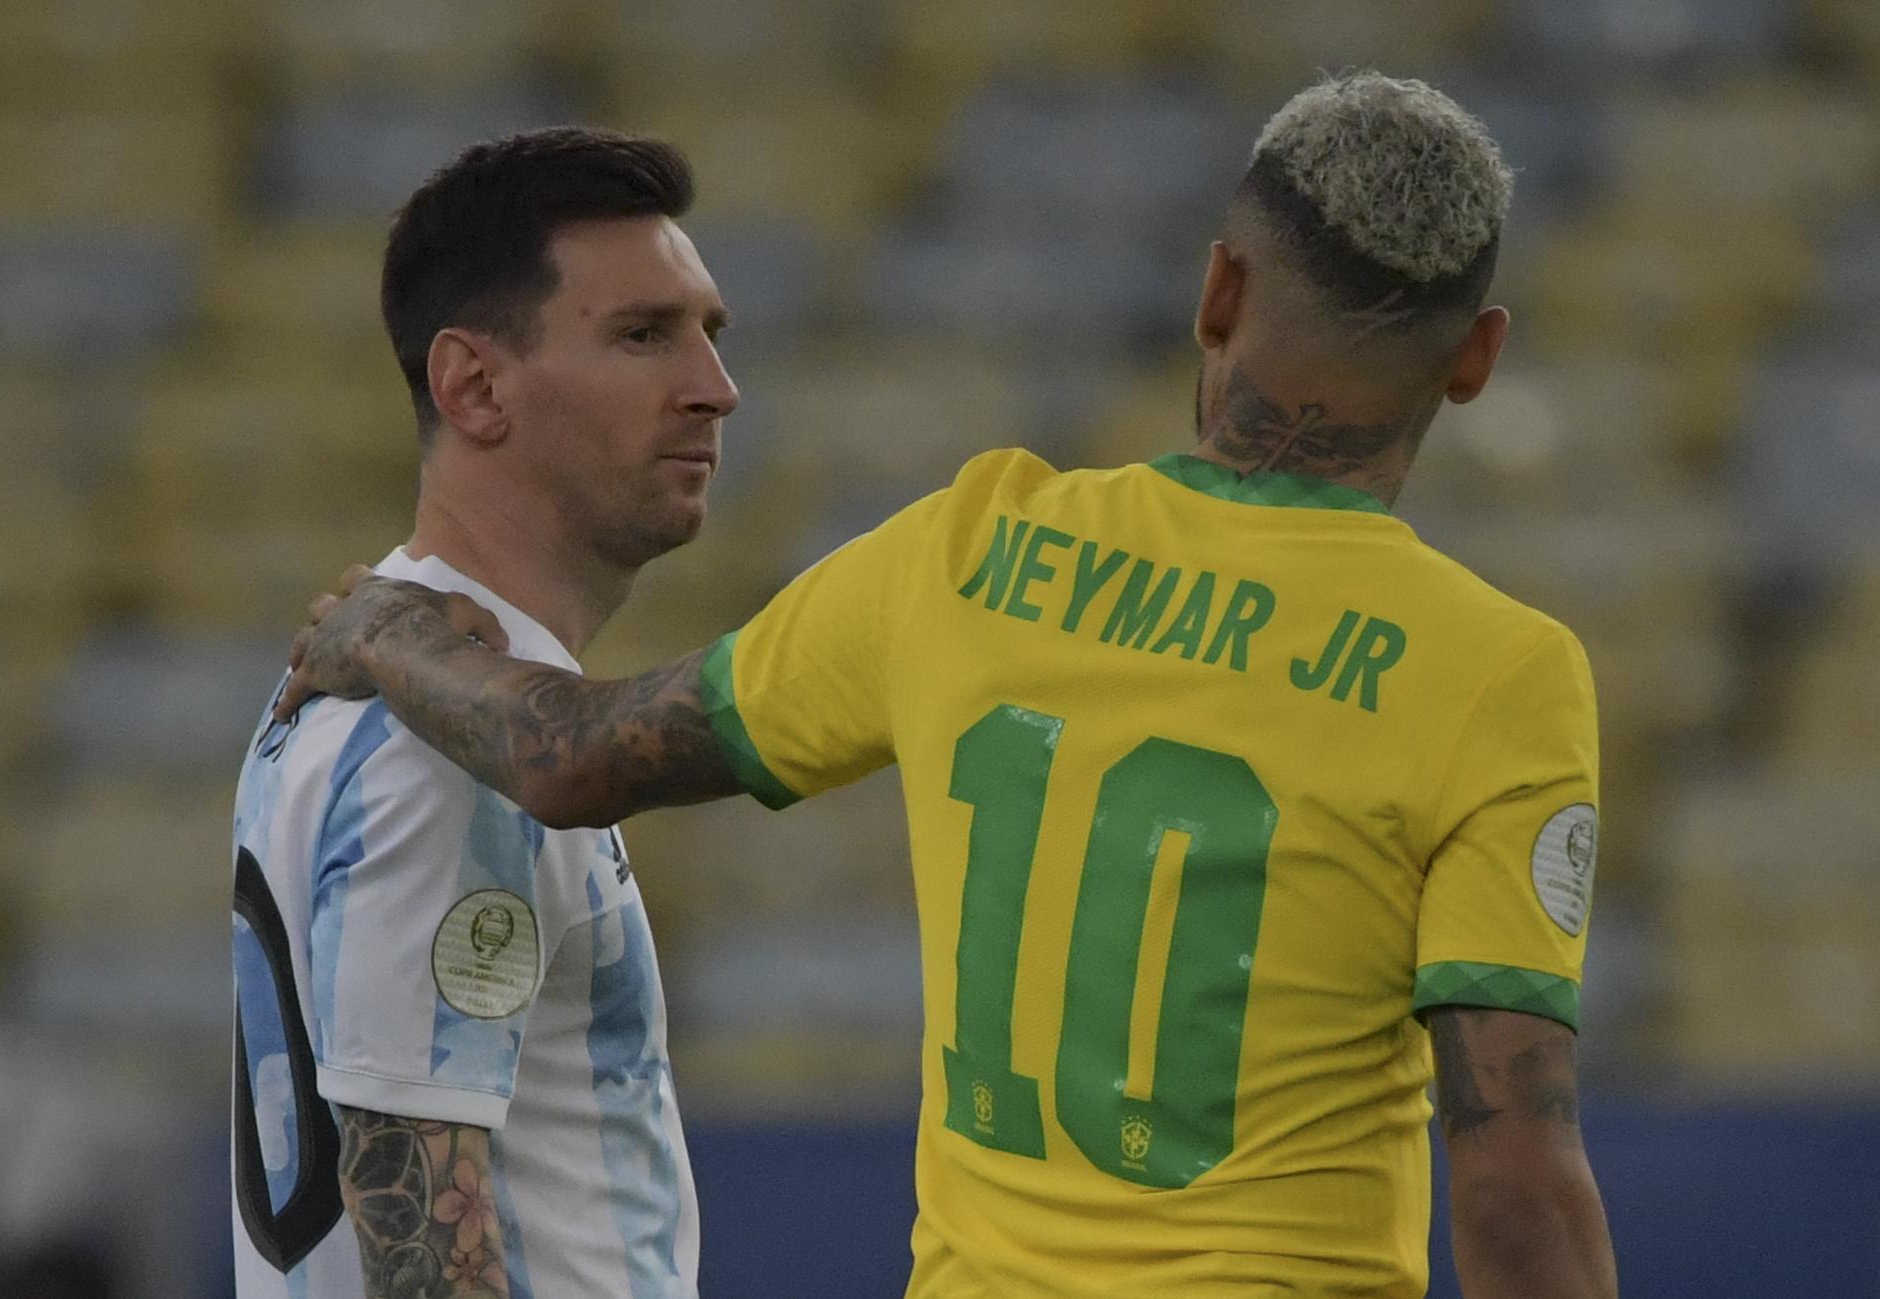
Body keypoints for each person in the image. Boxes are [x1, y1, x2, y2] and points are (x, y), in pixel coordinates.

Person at [276, 73, 1618, 1299]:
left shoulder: (975, 550)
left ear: (1218, 291)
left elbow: (572, 755)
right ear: (1477, 356)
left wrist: (395, 637)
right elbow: (1513, 1190)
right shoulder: (1496, 676)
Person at [230, 126, 735, 1299]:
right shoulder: (449, 740)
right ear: (473, 386)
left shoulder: (392, 665)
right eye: (644, 335)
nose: (714, 388)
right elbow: (421, 1254)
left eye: (710, 333)